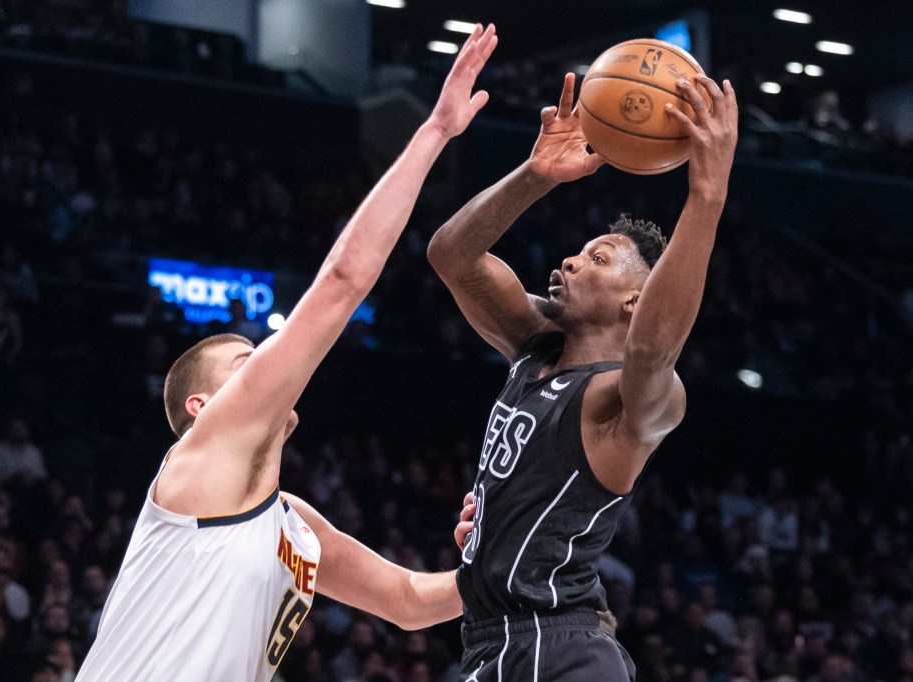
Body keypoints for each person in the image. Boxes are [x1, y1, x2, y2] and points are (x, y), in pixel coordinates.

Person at [75, 23, 498, 682]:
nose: (268, 369)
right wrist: (434, 130)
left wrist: (502, 562)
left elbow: (407, 603)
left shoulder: (295, 524)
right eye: (247, 365)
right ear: (202, 406)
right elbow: (341, 282)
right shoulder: (199, 458)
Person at [429, 69, 738, 680]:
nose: (571, 258)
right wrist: (534, 176)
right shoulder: (533, 348)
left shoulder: (623, 404)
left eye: (598, 259)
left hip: (559, 645)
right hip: (487, 644)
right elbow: (451, 255)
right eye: (580, 251)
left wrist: (706, 195)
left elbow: (652, 350)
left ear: (634, 301)